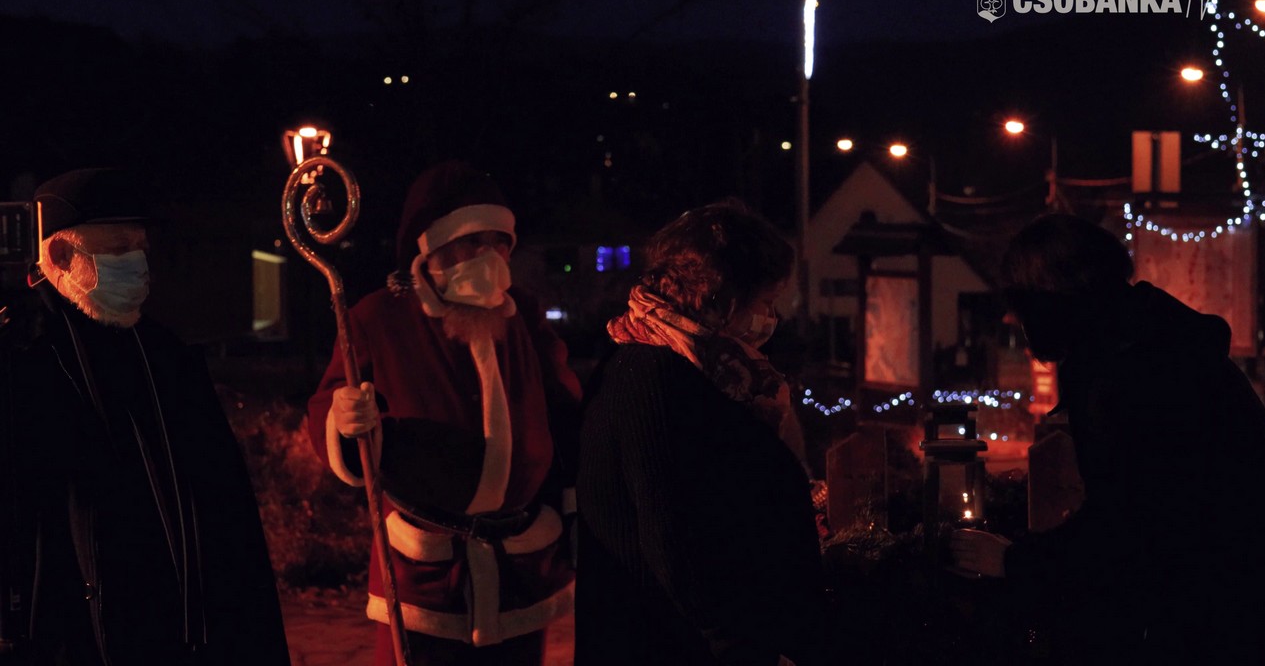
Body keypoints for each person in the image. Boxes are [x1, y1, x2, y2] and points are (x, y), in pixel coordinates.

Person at [950, 213, 1265, 663]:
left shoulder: (1129, 372)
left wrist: (1012, 562)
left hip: (1217, 615)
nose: (1017, 321)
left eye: (1021, 305)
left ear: (1050, 301)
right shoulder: (1155, 342)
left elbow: (1128, 526)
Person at [0, 168, 289, 664]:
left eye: (140, 248)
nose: (136, 265)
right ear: (62, 256)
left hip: (174, 627)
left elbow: (222, 505)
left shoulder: (166, 355)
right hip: (67, 633)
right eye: (117, 250)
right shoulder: (22, 359)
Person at [307, 161, 579, 666]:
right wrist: (343, 422)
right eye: (473, 242)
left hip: (519, 565)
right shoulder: (381, 318)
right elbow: (330, 402)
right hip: (426, 572)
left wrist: (570, 500)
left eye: (500, 244)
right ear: (431, 248)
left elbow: (563, 406)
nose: (489, 257)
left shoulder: (521, 313)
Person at [576, 201, 828, 665]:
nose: (771, 319)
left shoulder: (700, 370)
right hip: (672, 647)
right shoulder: (651, 376)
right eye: (765, 302)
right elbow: (673, 540)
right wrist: (742, 649)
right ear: (722, 297)